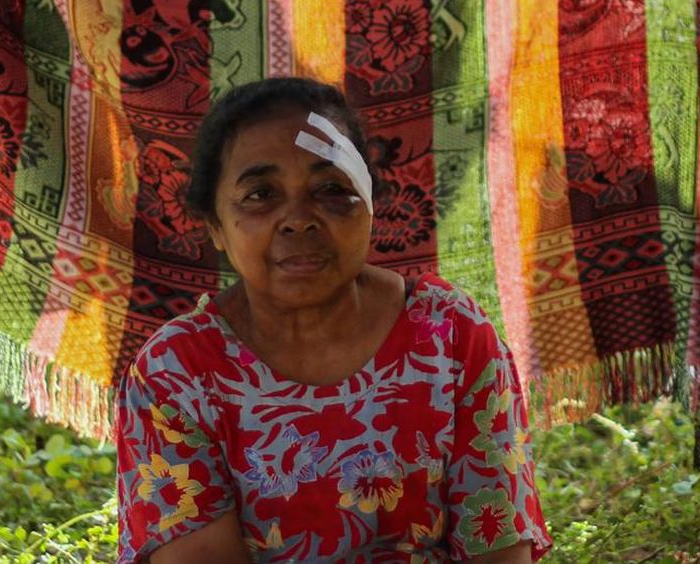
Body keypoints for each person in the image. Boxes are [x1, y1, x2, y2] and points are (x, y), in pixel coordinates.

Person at [116, 77, 551, 563]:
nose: (298, 219)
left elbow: (498, 548)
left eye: (331, 188)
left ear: (369, 205)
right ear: (215, 226)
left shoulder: (450, 336)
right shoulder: (175, 373)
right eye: (260, 194)